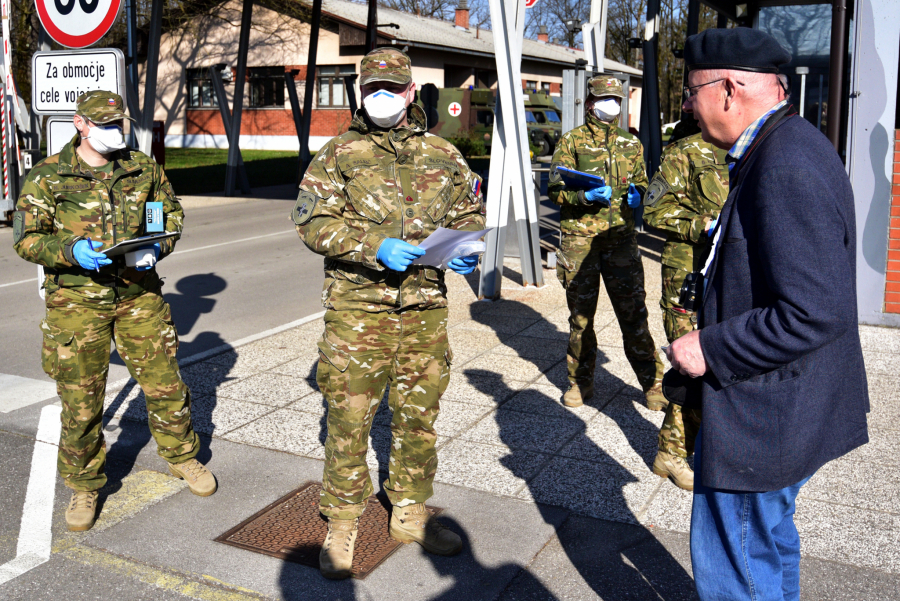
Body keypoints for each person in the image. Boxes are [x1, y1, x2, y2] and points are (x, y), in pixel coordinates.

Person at [666, 28, 869, 600]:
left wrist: (708, 347)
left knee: (738, 561)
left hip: (766, 415)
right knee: (767, 544)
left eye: (691, 91)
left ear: (728, 90)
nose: (687, 103)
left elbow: (813, 311)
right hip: (784, 402)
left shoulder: (784, 165)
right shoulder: (787, 144)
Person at [293, 48, 485, 580]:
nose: (382, 96)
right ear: (362, 92)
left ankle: (409, 509)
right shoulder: (338, 154)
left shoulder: (443, 154)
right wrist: (372, 243)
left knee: (418, 415)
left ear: (409, 93)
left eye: (391, 88)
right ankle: (342, 520)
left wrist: (466, 247)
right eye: (372, 87)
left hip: (424, 306)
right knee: (350, 418)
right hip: (358, 310)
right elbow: (311, 224)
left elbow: (470, 213)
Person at [13, 91, 215, 532]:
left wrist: (154, 248)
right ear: (80, 124)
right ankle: (85, 483)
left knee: (165, 384)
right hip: (76, 302)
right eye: (104, 124)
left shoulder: (140, 168)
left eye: (118, 124)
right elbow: (26, 238)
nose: (114, 132)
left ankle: (183, 456)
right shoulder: (49, 176)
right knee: (81, 400)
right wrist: (69, 250)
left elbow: (168, 217)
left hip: (138, 295)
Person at [548, 75, 665, 410]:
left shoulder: (631, 144)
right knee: (581, 318)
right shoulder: (571, 142)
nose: (611, 104)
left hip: (621, 241)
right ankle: (579, 383)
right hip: (580, 242)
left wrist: (638, 195)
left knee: (634, 315)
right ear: (590, 103)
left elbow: (644, 182)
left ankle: (653, 384)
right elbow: (555, 190)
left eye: (616, 98)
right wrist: (584, 195)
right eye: (604, 98)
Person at [642, 120, 728, 491]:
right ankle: (672, 453)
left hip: (732, 271)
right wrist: (706, 226)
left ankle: (688, 446)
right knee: (694, 365)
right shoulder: (687, 151)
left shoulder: (752, 151)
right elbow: (654, 211)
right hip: (688, 274)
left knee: (721, 361)